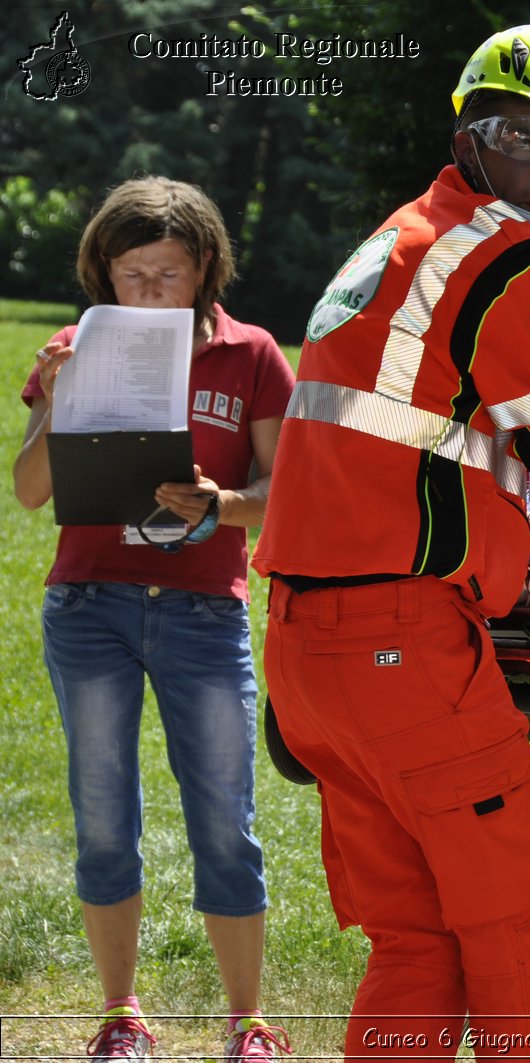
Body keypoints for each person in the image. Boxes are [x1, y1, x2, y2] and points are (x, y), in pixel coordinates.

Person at [250, 25, 530, 1062]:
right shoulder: (497, 251)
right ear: (470, 133)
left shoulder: (396, 240)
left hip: (310, 648)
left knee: (418, 937)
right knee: (521, 922)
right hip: (400, 641)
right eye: (528, 138)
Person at [11, 177, 296, 1062]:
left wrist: (220, 502)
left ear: (204, 266)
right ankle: (120, 1014)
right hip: (89, 604)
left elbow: (282, 496)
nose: (144, 292)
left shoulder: (252, 356)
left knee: (225, 816)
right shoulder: (75, 344)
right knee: (103, 816)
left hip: (207, 610)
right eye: (128, 274)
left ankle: (248, 1023)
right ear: (103, 270)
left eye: (164, 274)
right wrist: (59, 397)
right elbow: (26, 492)